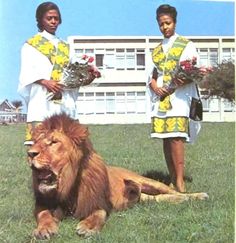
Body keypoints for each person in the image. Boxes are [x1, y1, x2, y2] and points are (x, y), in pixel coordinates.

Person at [18, 2, 94, 146]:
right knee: (41, 144)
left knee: (69, 144)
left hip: (64, 98)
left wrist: (89, 74)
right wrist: (45, 82)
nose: (53, 22)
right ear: (40, 20)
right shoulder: (30, 45)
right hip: (42, 97)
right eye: (49, 18)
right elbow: (27, 71)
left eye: (56, 18)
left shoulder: (66, 47)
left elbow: (75, 73)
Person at [147, 4, 201, 192]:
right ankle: (170, 177)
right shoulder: (156, 50)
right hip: (161, 98)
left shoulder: (186, 45)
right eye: (161, 24)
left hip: (178, 97)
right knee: (166, 138)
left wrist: (170, 88)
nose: (165, 27)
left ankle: (180, 181)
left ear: (175, 22)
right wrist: (155, 86)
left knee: (176, 137)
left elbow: (190, 73)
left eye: (168, 23)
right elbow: (151, 75)